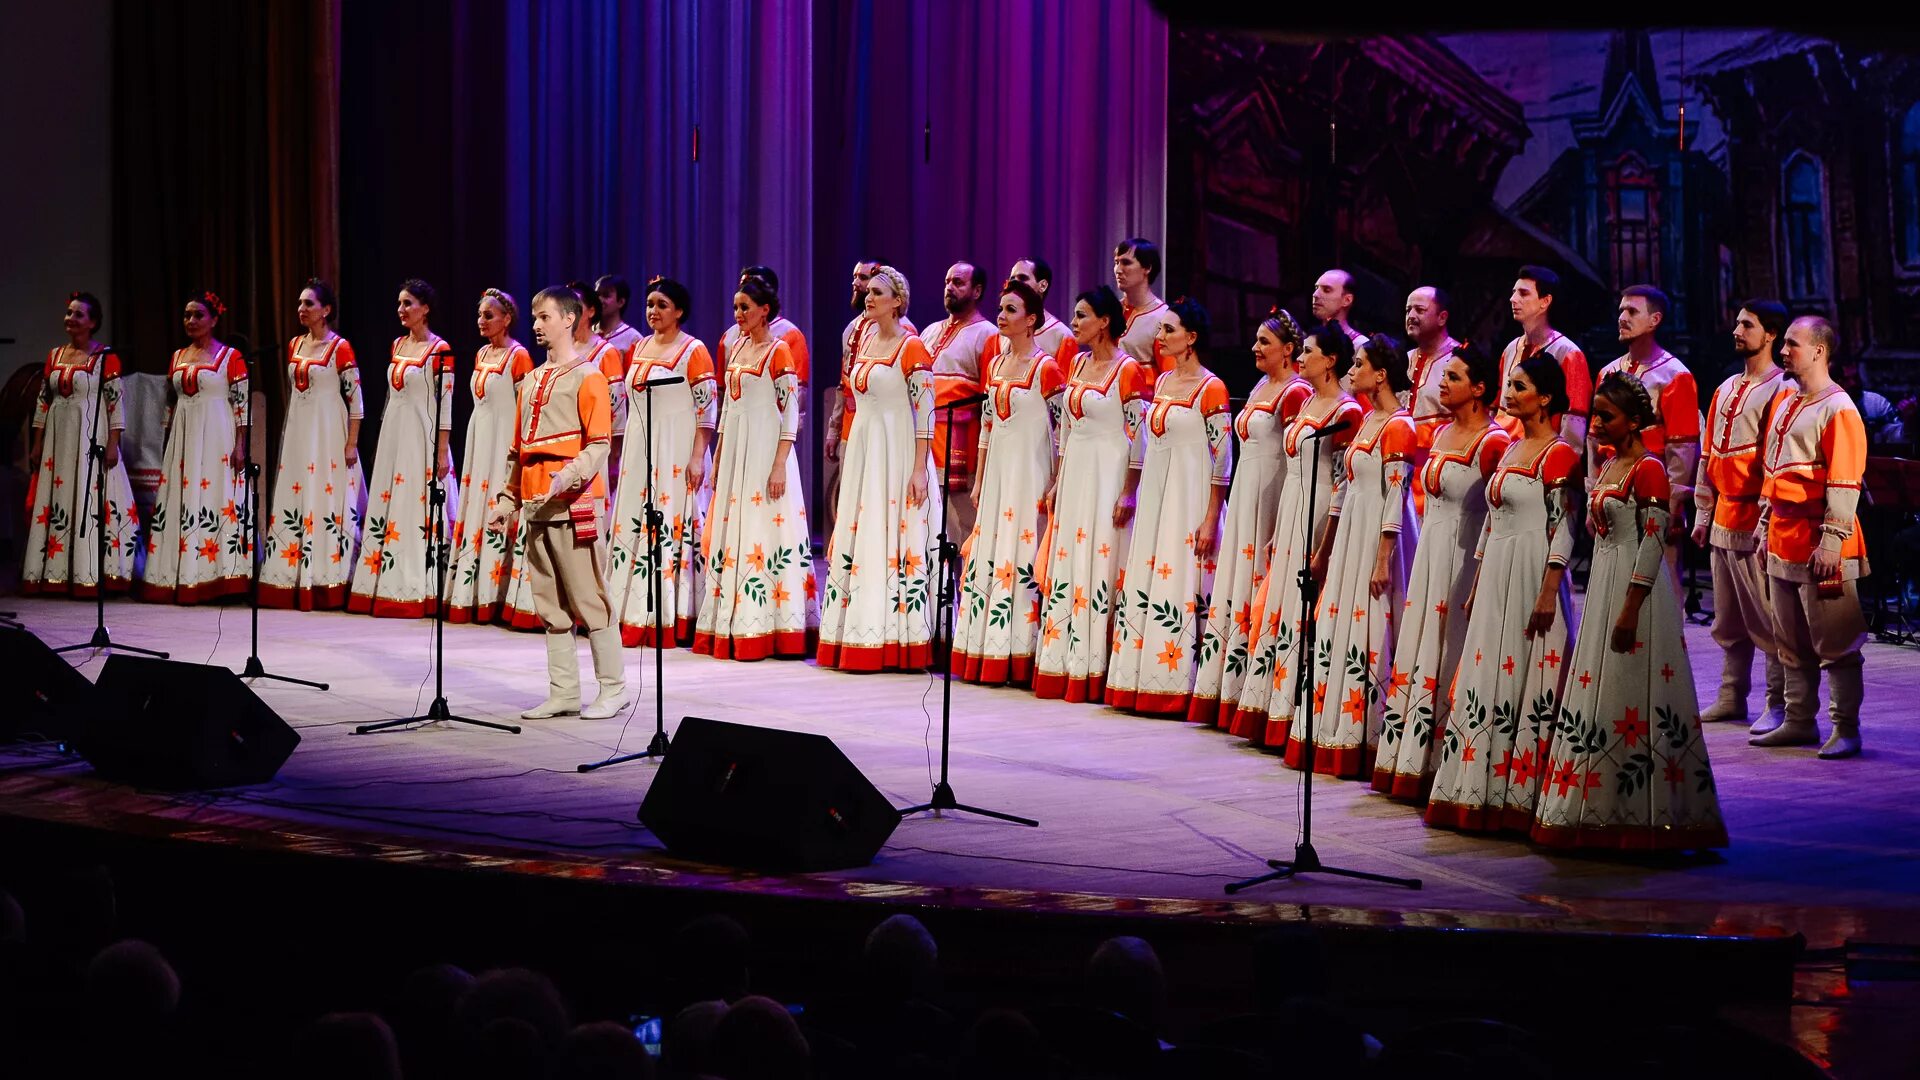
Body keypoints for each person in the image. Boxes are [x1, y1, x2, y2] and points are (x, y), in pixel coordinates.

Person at [1530, 372, 1727, 849]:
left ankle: (1650, 813)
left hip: (1637, 592)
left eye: (1606, 416)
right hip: (1603, 585)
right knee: (1603, 691)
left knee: (1634, 691)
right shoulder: (1610, 465)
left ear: (1634, 421)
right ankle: (1601, 805)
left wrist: (1630, 608)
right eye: (1594, 413)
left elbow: (1654, 541)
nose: (1595, 423)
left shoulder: (1650, 469)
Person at [1424, 353, 1578, 833]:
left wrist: (1550, 589)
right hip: (1496, 574)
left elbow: (1565, 527)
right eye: (1508, 385)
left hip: (1534, 569)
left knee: (1528, 672)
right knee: (1486, 668)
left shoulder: (1560, 454)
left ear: (1546, 398)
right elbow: (1491, 521)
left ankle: (1524, 792)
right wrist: (1477, 578)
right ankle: (1477, 785)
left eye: (1520, 386)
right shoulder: (1511, 448)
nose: (1508, 394)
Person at [484, 287, 631, 719]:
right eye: (534, 317)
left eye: (544, 316)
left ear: (569, 319)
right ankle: (564, 691)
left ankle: (613, 686)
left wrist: (566, 476)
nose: (536, 324)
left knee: (589, 596)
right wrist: (507, 499)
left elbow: (599, 443)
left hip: (575, 502)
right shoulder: (530, 381)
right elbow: (518, 449)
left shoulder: (589, 376)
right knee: (548, 600)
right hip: (535, 503)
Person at [1372, 344, 1510, 799]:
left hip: (1464, 559)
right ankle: (1412, 759)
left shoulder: (1492, 443)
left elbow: (1497, 515)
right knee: (1423, 647)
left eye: (1454, 377)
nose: (1443, 384)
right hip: (1432, 553)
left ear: (1479, 388)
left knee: (1452, 650)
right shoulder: (1441, 433)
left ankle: (1449, 765)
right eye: (1443, 375)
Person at [1226, 325, 1361, 744]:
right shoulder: (1308, 403)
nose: (1300, 359)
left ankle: (1304, 710)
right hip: (1292, 504)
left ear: (1331, 360)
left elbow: (1341, 480)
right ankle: (1275, 706)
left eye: (1307, 352)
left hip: (1318, 507)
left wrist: (1324, 541)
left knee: (1304, 605)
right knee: (1281, 601)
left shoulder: (1345, 410)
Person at [1289, 336, 1417, 777]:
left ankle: (1367, 734)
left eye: (1360, 363)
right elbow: (1342, 489)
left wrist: (1383, 560)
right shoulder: (1367, 422)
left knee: (1370, 626)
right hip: (1349, 538)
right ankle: (1332, 728)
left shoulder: (1399, 425)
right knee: (1338, 623)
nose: (1353, 369)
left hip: (1376, 539)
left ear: (1381, 374)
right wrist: (1325, 550)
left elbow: (1396, 499)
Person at [1104, 297, 1232, 716]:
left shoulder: (1211, 388)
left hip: (1188, 496)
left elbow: (1221, 457)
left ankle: (1179, 682)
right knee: (1150, 576)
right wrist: (1133, 489)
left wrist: (1212, 516)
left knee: (1181, 580)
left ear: (1191, 338)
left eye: (1169, 330)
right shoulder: (1160, 384)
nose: (1160, 337)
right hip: (1158, 496)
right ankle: (1142, 678)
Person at [1751, 316, 1869, 759]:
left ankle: (1846, 728)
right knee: (1791, 641)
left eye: (1793, 345)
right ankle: (1799, 721)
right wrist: (1764, 527)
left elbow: (1844, 480)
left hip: (1822, 543)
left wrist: (1833, 540)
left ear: (1819, 350)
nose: (1783, 351)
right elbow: (1773, 473)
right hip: (1784, 539)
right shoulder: (1786, 403)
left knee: (1835, 642)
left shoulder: (1838, 408)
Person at [1189, 309, 1308, 725]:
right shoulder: (1261, 384)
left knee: (1259, 579)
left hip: (1270, 495)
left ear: (1289, 350)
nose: (1255, 348)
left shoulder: (1294, 392)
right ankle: (1230, 689)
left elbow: (1296, 456)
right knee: (1237, 580)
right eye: (1256, 340)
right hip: (1245, 492)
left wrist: (1279, 519)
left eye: (1264, 342)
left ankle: (1259, 697)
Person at [816, 265, 937, 671]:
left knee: (892, 534)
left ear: (897, 302)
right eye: (867, 292)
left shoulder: (913, 347)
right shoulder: (864, 337)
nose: (868, 298)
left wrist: (919, 469)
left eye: (878, 293)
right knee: (860, 532)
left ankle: (897, 636)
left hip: (897, 450)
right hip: (867, 449)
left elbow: (925, 414)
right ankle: (856, 630)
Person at [1032, 287, 1149, 701]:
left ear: (1104, 321)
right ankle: (1063, 659)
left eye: (1082, 315)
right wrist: (1057, 480)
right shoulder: (1078, 363)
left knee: (1101, 559)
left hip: (1108, 472)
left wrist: (1129, 491)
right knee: (1071, 560)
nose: (1075, 322)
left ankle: (1096, 665)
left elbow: (1139, 436)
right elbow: (1064, 429)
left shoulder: (1129, 370)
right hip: (1078, 472)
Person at [694, 276, 819, 659]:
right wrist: (718, 457)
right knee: (736, 529)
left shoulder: (779, 351)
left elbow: (790, 413)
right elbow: (728, 408)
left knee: (767, 529)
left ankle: (771, 624)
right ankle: (731, 620)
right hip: (737, 454)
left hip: (766, 451)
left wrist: (780, 463)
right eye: (735, 307)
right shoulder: (738, 347)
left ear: (766, 310)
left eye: (746, 307)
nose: (739, 314)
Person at [952, 279, 1065, 684]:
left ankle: (1021, 649)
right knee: (991, 547)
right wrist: (980, 477)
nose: (1001, 316)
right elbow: (986, 426)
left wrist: (1055, 480)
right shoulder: (997, 364)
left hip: (1030, 472)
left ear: (1031, 319)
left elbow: (1059, 430)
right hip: (999, 471)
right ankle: (985, 645)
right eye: (1000, 308)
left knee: (1022, 549)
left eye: (1011, 310)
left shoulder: (1046, 368)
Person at [1692, 301, 1790, 732]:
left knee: (1767, 618)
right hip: (1723, 518)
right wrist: (1702, 511)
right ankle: (1732, 695)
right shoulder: (1726, 387)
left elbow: (1775, 459)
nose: (1736, 329)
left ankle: (1779, 702)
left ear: (1770, 334)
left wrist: (1767, 522)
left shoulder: (1781, 388)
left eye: (1746, 324)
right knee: (1728, 617)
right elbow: (1707, 453)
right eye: (1735, 322)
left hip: (1754, 518)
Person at [605, 276, 717, 647]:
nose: (653, 311)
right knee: (634, 518)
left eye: (662, 305)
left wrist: (698, 457)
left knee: (671, 521)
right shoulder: (637, 347)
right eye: (650, 304)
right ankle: (628, 610)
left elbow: (707, 409)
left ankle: (671, 613)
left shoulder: (693, 349)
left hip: (675, 448)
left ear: (679, 312)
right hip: (640, 446)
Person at [347, 280, 456, 617]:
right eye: (399, 304)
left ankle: (418, 586)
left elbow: (445, 403)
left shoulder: (440, 349)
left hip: (421, 436)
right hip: (395, 433)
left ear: (425, 308)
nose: (401, 310)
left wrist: (441, 452)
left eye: (408, 303)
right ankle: (384, 584)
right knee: (392, 504)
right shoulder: (396, 345)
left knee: (416, 506)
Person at [259, 279, 366, 610]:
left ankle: (327, 578)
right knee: (298, 494)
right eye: (300, 304)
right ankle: (290, 576)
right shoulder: (294, 345)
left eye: (309, 304)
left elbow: (356, 401)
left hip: (329, 434)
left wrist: (351, 443)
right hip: (299, 433)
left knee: (327, 498)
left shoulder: (341, 348)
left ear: (326, 310)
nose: (301, 309)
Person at [23, 291, 138, 596]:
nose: (70, 319)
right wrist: (37, 442)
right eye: (69, 313)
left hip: (91, 437)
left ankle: (90, 572)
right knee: (59, 495)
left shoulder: (105, 357)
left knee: (88, 498)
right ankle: (55, 572)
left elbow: (116, 404)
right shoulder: (54, 356)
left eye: (78, 314)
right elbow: (43, 402)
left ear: (93, 322)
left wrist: (114, 443)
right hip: (58, 442)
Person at [139, 291, 251, 603]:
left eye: (198, 315)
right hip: (184, 437)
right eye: (187, 315)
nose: (191, 321)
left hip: (217, 434)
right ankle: (178, 573)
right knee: (182, 497)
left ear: (214, 320)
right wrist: (166, 436)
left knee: (215, 496)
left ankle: (216, 576)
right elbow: (169, 403)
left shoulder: (231, 357)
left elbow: (242, 405)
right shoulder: (177, 357)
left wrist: (240, 445)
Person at [1590, 285, 1700, 590]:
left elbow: (1682, 447)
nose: (1622, 317)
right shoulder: (1608, 373)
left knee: (1659, 582)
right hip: (1612, 489)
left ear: (1655, 320)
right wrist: (1592, 493)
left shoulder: (1675, 375)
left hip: (1652, 489)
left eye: (1632, 311)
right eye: (1621, 310)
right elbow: (1595, 441)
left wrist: (1674, 504)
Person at [443, 288, 533, 623]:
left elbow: (525, 408)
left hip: (504, 444)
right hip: (480, 439)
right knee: (477, 503)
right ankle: (472, 591)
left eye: (489, 315)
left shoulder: (519, 356)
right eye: (480, 315)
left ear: (507, 319)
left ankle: (498, 591)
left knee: (500, 504)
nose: (481, 321)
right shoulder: (481, 354)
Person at [822, 259, 915, 534]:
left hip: (885, 429)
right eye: (857, 279)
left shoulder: (905, 334)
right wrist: (834, 427)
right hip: (855, 425)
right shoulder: (854, 330)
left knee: (879, 497)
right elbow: (845, 382)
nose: (858, 285)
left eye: (864, 279)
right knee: (852, 497)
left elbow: (908, 394)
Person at [920, 261, 997, 546]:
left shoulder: (988, 334)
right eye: (947, 281)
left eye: (958, 283)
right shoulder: (929, 332)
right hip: (927, 442)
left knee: (962, 525)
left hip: (961, 442)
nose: (949, 288)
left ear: (977, 291)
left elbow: (989, 400)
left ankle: (965, 589)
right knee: (931, 525)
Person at [1497, 266, 1591, 472]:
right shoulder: (1511, 349)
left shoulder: (1567, 353)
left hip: (1542, 463)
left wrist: (1563, 472)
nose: (1513, 299)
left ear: (1545, 301)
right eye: (1513, 292)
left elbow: (1572, 424)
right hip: (1505, 459)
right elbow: (1499, 411)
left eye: (1523, 293)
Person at [1403, 285, 1459, 518]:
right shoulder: (1403, 360)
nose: (1411, 316)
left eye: (1419, 309)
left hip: (1439, 480)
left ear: (1442, 317)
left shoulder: (1459, 361)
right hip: (1402, 475)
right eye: (1407, 310)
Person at [1007, 257, 1081, 369]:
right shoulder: (1003, 330)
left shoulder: (1062, 336)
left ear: (1043, 286)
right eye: (1012, 279)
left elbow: (1065, 384)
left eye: (1023, 278)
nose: (1015, 283)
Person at [1113, 238, 1174, 372]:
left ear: (1147, 268)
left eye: (1126, 263)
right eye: (1116, 262)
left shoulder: (1163, 318)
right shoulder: (1110, 311)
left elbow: (1170, 376)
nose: (1118, 270)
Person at [1310, 269, 1368, 349]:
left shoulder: (1361, 346)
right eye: (1316, 288)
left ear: (1347, 300)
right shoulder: (1310, 339)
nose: (1315, 294)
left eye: (1327, 290)